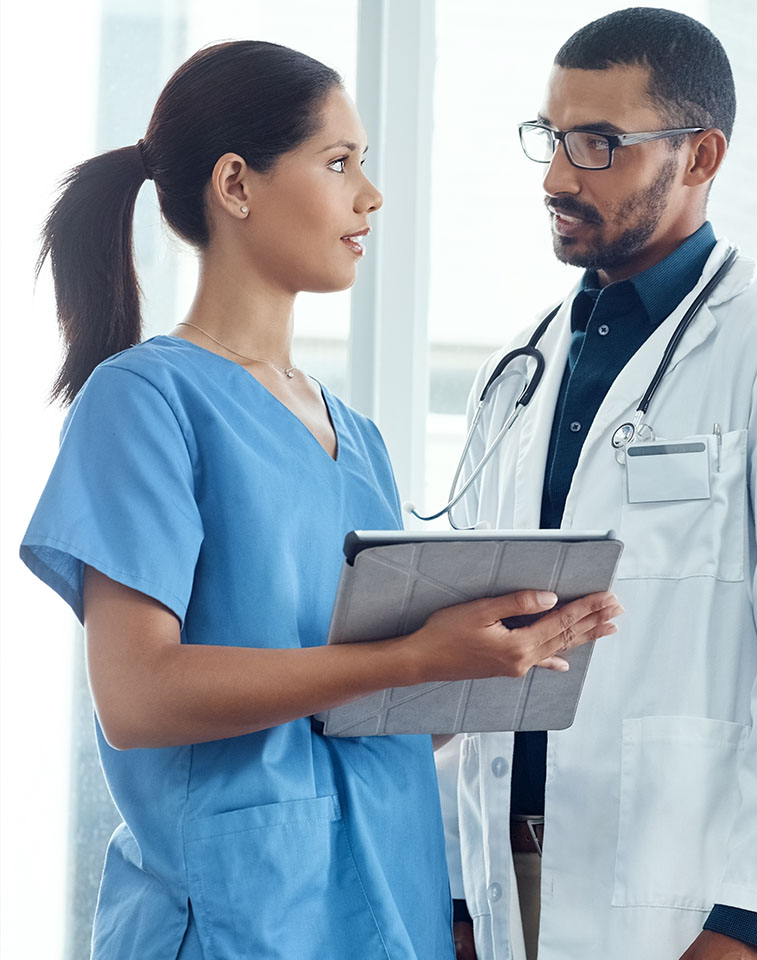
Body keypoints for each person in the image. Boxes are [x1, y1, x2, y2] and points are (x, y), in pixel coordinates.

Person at [19, 40, 622, 960]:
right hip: (238, 919)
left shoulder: (359, 437)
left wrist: (484, 666)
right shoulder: (146, 400)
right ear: (236, 184)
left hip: (389, 910)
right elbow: (137, 695)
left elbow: (357, 729)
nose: (369, 196)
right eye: (339, 163)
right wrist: (412, 661)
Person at [441, 8, 757, 960]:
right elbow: (473, 639)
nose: (558, 177)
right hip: (503, 886)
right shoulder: (516, 369)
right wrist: (456, 889)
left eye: (599, 144)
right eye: (553, 140)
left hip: (686, 896)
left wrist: (755, 925)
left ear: (702, 154)